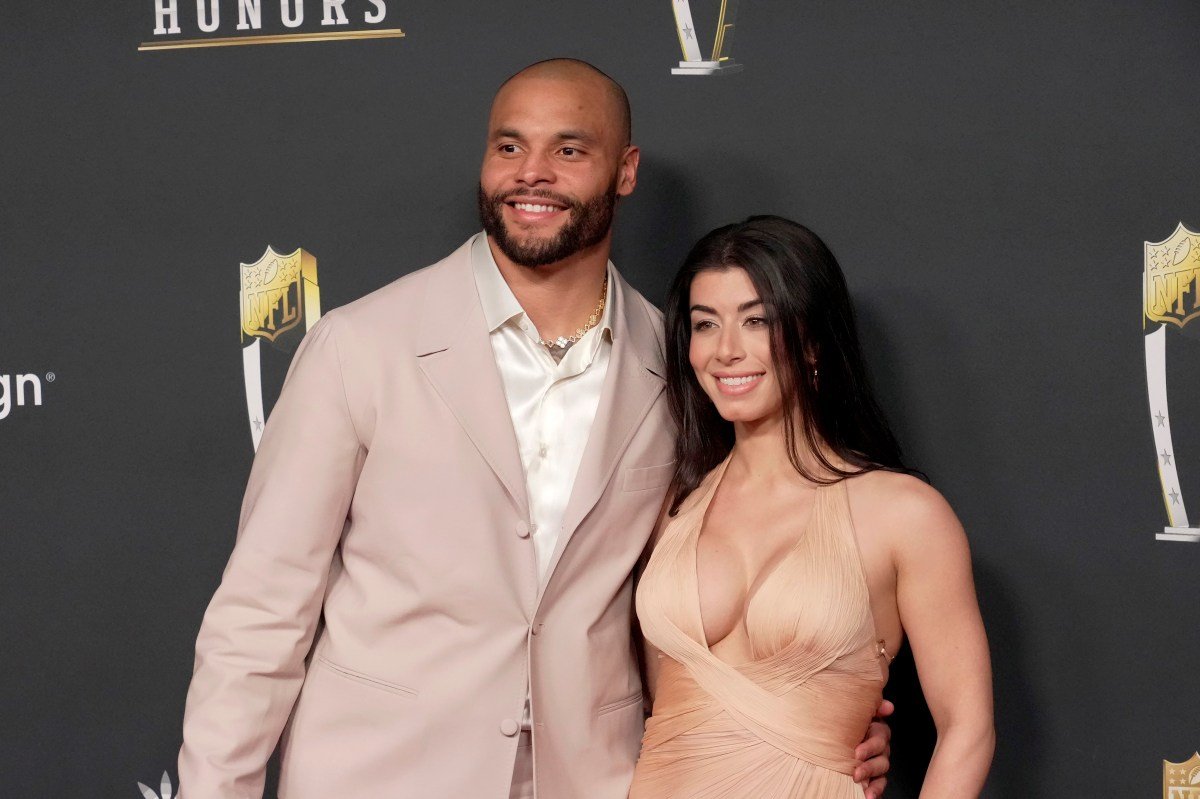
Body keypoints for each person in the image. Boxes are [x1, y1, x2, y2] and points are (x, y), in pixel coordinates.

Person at [177, 62, 893, 799]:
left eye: (569, 150)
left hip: (596, 778)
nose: (532, 173)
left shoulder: (683, 365)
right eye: (509, 147)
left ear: (625, 171)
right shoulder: (361, 345)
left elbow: (705, 597)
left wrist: (815, 720)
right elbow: (261, 614)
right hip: (376, 775)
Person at [630, 216, 995, 798]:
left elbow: (967, 730)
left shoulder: (904, 515)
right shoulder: (669, 509)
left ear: (813, 339)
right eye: (705, 324)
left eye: (757, 321)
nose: (726, 351)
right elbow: (651, 703)